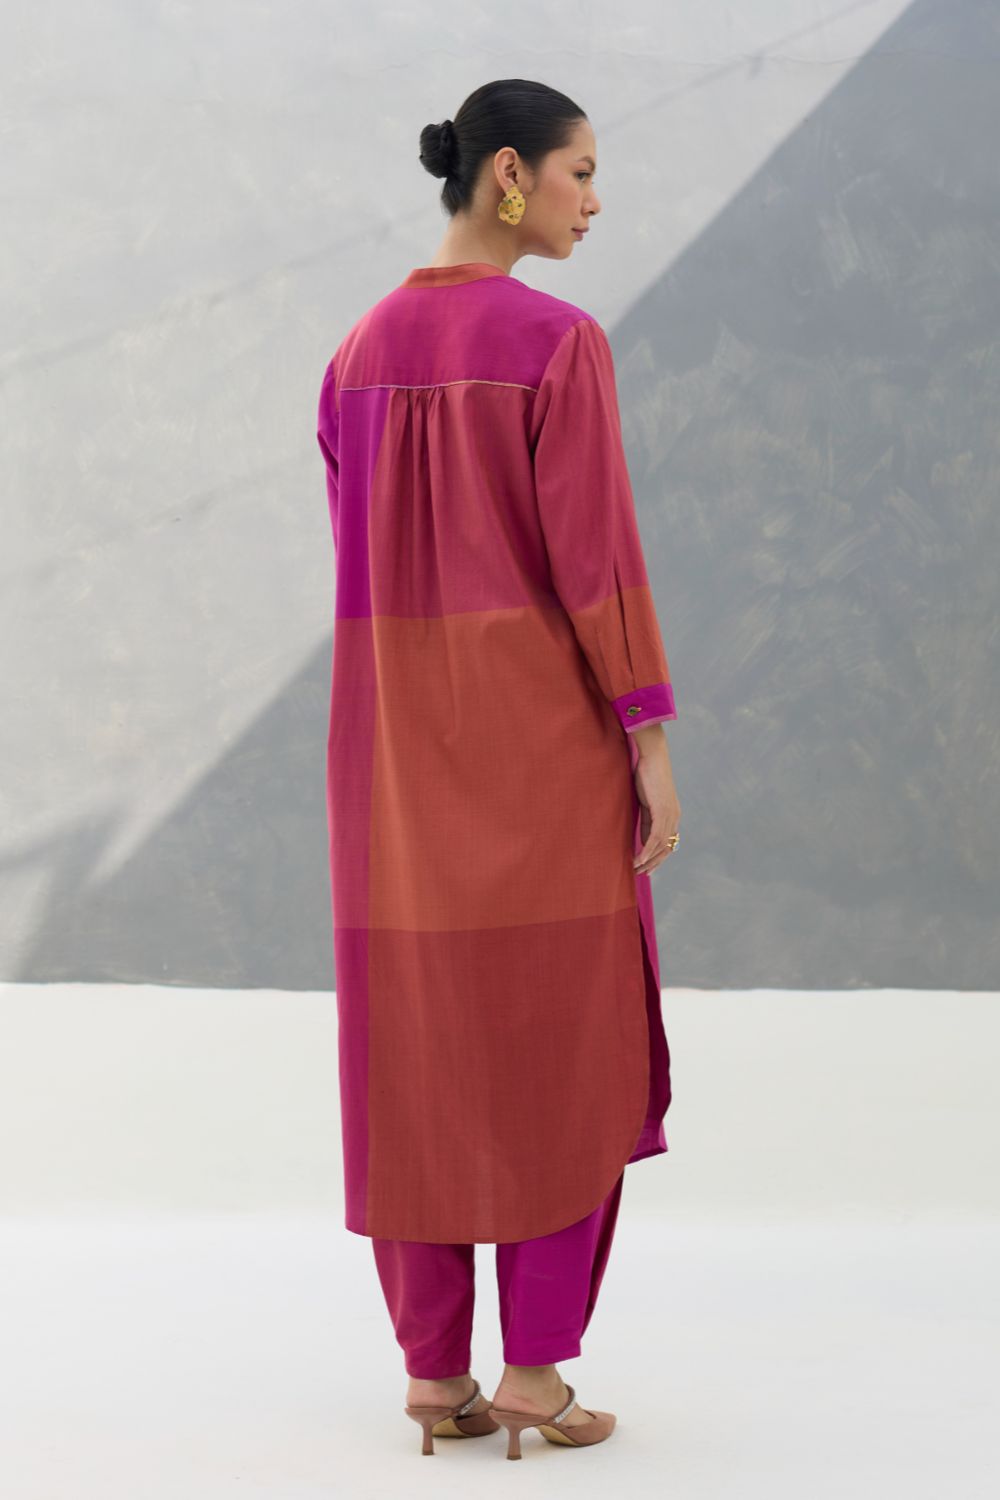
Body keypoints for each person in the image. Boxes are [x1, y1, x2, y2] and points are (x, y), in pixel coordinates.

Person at [315, 78, 681, 1458]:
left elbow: (362, 554)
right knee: (562, 1048)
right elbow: (599, 566)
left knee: (414, 1049)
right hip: (540, 760)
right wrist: (649, 742)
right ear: (512, 174)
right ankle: (532, 1374)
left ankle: (434, 1378)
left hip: (391, 772)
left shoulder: (355, 352)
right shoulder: (557, 344)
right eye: (583, 172)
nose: (596, 200)